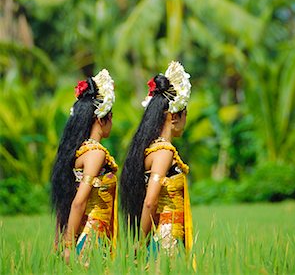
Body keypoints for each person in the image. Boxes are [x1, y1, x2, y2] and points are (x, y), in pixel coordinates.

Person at [120, 61, 194, 256]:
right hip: (166, 243)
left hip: (163, 239)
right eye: (185, 113)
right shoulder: (164, 152)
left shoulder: (152, 150)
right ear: (174, 116)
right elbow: (150, 201)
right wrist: (140, 244)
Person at [51, 69, 118, 263]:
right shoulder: (96, 154)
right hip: (92, 241)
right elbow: (78, 202)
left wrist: (60, 239)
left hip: (88, 236)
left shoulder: (78, 151)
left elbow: (65, 197)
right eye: (111, 115)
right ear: (100, 119)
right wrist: (69, 247)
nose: (112, 122)